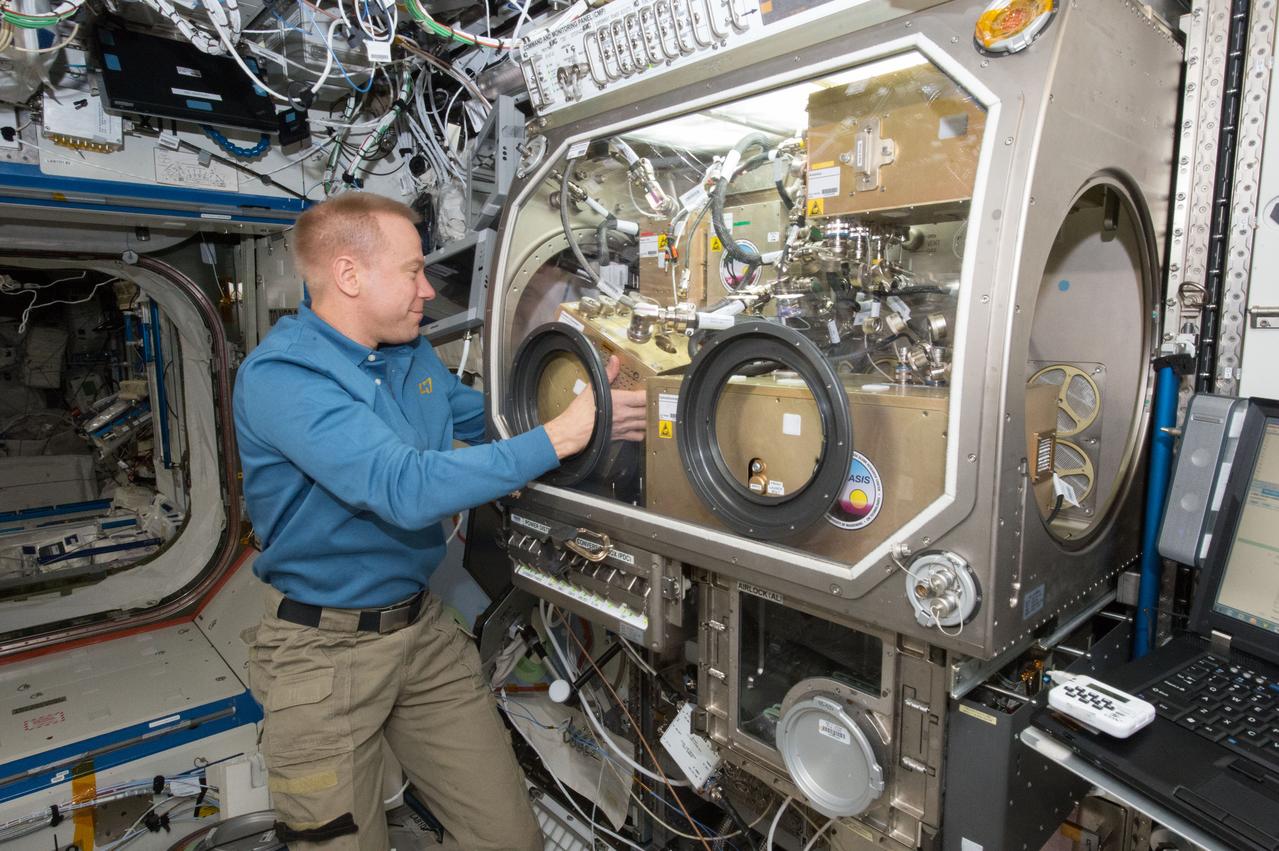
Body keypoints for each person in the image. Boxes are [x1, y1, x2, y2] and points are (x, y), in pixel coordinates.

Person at [233, 191, 646, 850]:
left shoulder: (405, 351)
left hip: (419, 630)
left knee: (509, 838)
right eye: (412, 270)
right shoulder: (284, 377)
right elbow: (402, 487)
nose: (428, 288)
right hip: (323, 650)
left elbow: (485, 416)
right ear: (349, 275)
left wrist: (587, 404)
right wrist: (559, 438)